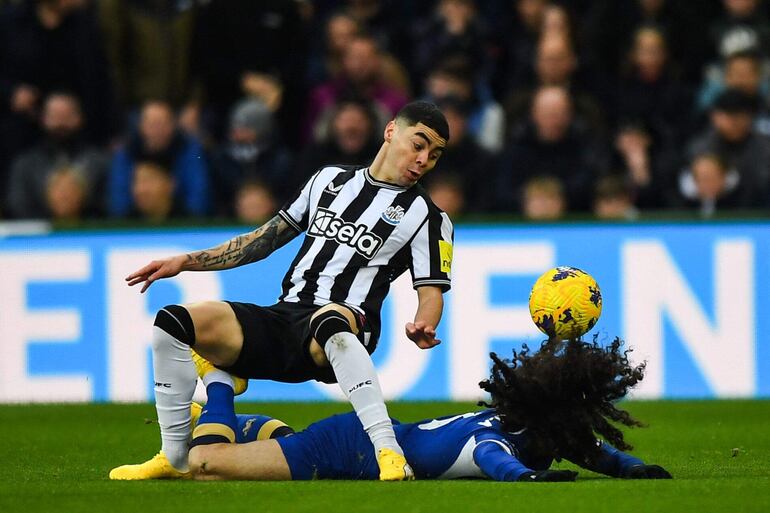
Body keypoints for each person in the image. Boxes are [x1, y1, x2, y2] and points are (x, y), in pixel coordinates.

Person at [109, 101, 452, 482]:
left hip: (349, 324)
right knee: (174, 321)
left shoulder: (429, 217)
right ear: (391, 131)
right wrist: (186, 261)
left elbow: (431, 290)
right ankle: (174, 456)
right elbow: (263, 240)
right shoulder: (328, 180)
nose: (423, 159)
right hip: (287, 317)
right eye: (418, 145)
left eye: (434, 155)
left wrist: (425, 323)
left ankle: (388, 450)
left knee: (330, 321)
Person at [186, 338, 672, 482]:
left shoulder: (547, 431)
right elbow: (491, 459)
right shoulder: (502, 439)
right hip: (350, 447)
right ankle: (220, 382)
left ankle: (260, 429)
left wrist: (636, 469)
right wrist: (527, 479)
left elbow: (600, 455)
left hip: (373, 443)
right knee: (207, 466)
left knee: (247, 459)